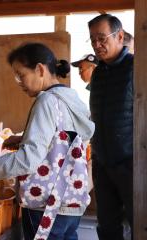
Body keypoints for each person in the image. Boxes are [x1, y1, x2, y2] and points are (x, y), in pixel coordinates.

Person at [0, 43, 95, 239]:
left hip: (46, 205)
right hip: (71, 202)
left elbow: (29, 159)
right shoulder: (70, 98)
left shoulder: (47, 101)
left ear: (40, 69)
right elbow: (62, 139)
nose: (19, 82)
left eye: (21, 74)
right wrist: (24, 138)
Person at [88, 14, 133, 240]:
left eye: (102, 38)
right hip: (102, 162)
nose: (97, 44)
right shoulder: (98, 74)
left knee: (140, 222)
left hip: (131, 162)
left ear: (120, 36)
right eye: (93, 39)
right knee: (106, 226)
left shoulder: (136, 67)